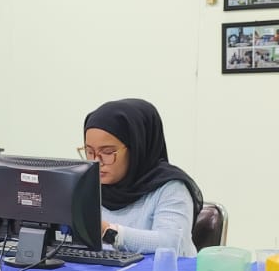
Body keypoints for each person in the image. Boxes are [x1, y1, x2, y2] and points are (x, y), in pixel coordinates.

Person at [81, 99, 204, 256]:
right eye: (89, 151)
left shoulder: (170, 188)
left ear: (137, 147)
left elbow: (171, 243)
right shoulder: (87, 185)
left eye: (107, 152)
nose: (97, 161)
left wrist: (109, 232)